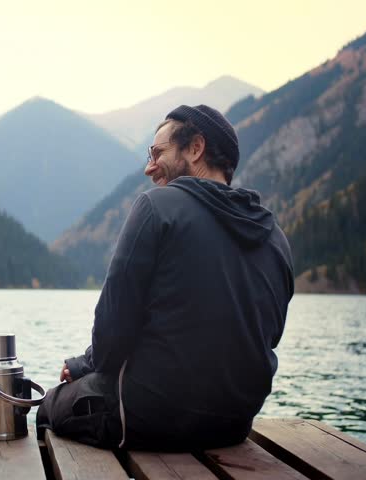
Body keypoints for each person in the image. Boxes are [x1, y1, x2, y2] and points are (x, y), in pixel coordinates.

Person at [36, 105, 294, 450]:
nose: (148, 167)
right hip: (234, 425)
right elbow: (269, 337)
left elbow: (114, 330)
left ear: (195, 148)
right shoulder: (276, 236)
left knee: (51, 406)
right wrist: (87, 363)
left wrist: (84, 366)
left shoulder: (158, 208)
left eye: (158, 153)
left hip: (150, 416)